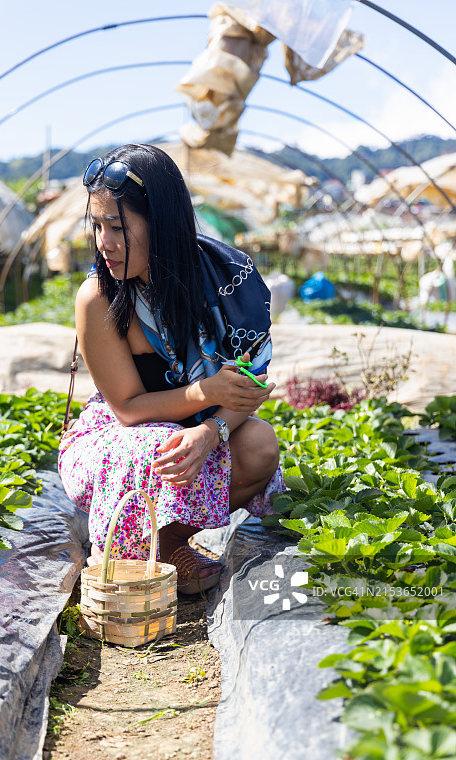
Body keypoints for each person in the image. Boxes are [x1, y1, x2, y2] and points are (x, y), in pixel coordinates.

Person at [58, 143, 286, 594]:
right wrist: (206, 394)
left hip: (191, 431)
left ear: (161, 224)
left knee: (259, 444)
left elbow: (248, 386)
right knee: (157, 442)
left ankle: (166, 541)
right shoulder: (99, 297)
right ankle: (130, 549)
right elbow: (127, 408)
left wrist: (212, 431)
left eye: (118, 227)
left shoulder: (225, 281)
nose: (104, 243)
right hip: (119, 438)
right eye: (98, 226)